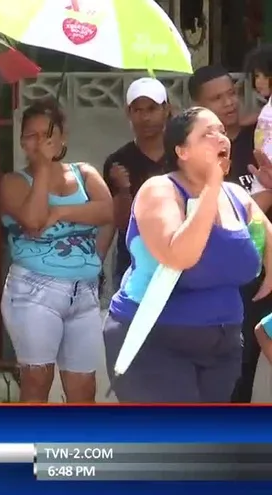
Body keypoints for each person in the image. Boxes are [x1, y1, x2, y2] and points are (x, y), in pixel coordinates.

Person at [104, 107, 268, 403]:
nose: (220, 138)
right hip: (157, 342)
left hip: (222, 347)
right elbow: (178, 256)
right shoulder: (160, 191)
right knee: (173, 444)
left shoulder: (237, 197)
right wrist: (211, 187)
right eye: (207, 133)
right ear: (182, 150)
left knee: (206, 444)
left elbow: (266, 239)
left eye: (221, 131)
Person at [0, 98, 113, 403]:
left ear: (62, 137)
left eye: (46, 135)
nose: (39, 142)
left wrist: (60, 213)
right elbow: (34, 220)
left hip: (84, 292)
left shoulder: (84, 173)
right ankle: (30, 449)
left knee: (83, 387)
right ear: (22, 141)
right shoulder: (13, 182)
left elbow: (106, 212)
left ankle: (77, 450)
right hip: (33, 291)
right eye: (30, 136)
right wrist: (44, 170)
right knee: (37, 380)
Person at [188, 64, 272, 402]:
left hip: (263, 277)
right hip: (221, 282)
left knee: (246, 370)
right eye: (217, 98)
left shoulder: (264, 135)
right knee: (225, 375)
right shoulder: (193, 154)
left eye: (232, 93)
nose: (230, 103)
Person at [99, 78, 170, 288]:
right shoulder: (118, 161)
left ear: (166, 109)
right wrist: (123, 189)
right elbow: (119, 223)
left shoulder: (182, 154)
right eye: (138, 110)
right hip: (132, 260)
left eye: (152, 109)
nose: (145, 117)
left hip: (177, 254)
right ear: (128, 113)